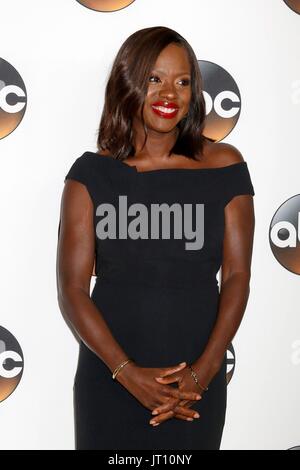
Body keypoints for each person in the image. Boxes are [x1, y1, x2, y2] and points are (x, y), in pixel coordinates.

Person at [56, 26, 255, 450]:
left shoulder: (225, 165)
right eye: (154, 79)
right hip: (110, 382)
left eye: (183, 81)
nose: (169, 94)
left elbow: (238, 275)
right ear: (128, 81)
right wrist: (126, 373)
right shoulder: (90, 174)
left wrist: (203, 371)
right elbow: (73, 289)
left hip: (194, 388)